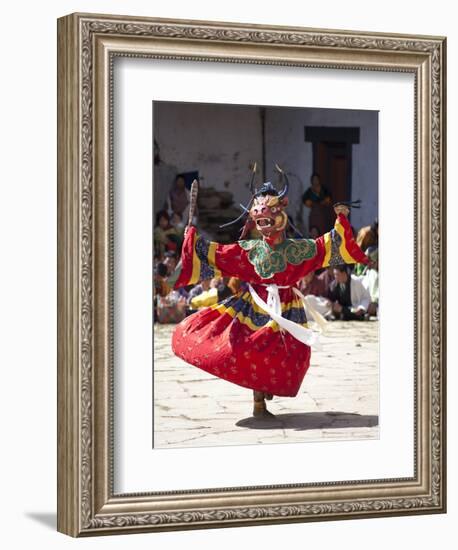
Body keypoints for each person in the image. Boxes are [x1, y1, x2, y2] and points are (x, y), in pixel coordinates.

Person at [172, 170, 369, 418]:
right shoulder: (249, 250)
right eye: (259, 215)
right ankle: (258, 403)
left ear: (281, 214)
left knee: (294, 356)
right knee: (253, 348)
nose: (264, 220)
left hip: (289, 309)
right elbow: (216, 255)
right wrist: (192, 240)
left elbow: (328, 246)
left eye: (270, 213)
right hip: (256, 306)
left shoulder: (299, 249)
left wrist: (341, 219)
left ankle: (266, 388)